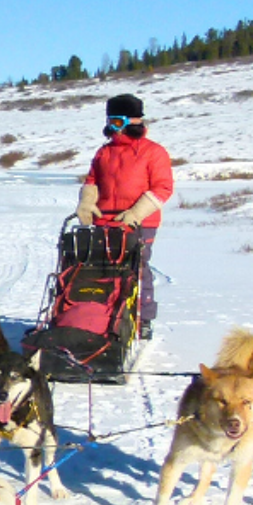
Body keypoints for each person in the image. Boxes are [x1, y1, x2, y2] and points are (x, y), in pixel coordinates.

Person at [77, 93, 173, 336]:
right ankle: (103, 314)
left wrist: (136, 213)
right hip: (105, 220)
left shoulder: (154, 152)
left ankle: (144, 317)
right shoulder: (103, 153)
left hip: (140, 223)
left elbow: (163, 188)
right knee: (100, 269)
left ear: (134, 122)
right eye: (110, 122)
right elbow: (92, 180)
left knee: (137, 267)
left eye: (117, 123)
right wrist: (88, 202)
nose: (113, 128)